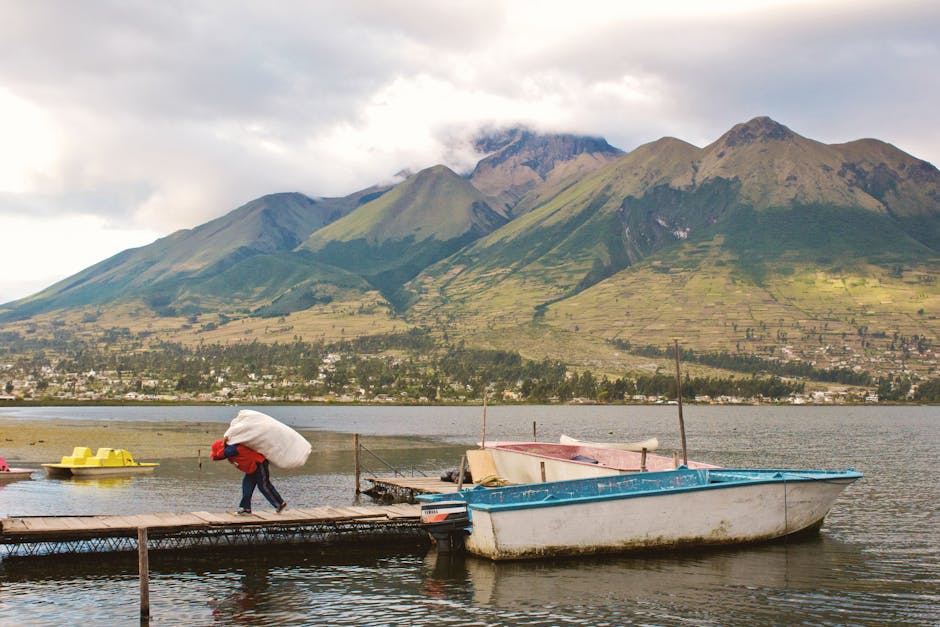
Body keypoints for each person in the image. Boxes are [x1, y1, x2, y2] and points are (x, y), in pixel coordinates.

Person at [211, 437, 287, 514]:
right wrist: (222, 445)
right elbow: (215, 457)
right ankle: (246, 508)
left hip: (259, 464)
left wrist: (222, 443)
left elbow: (219, 454)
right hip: (251, 468)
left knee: (263, 485)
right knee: (247, 486)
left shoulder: (232, 449)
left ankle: (280, 504)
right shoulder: (229, 451)